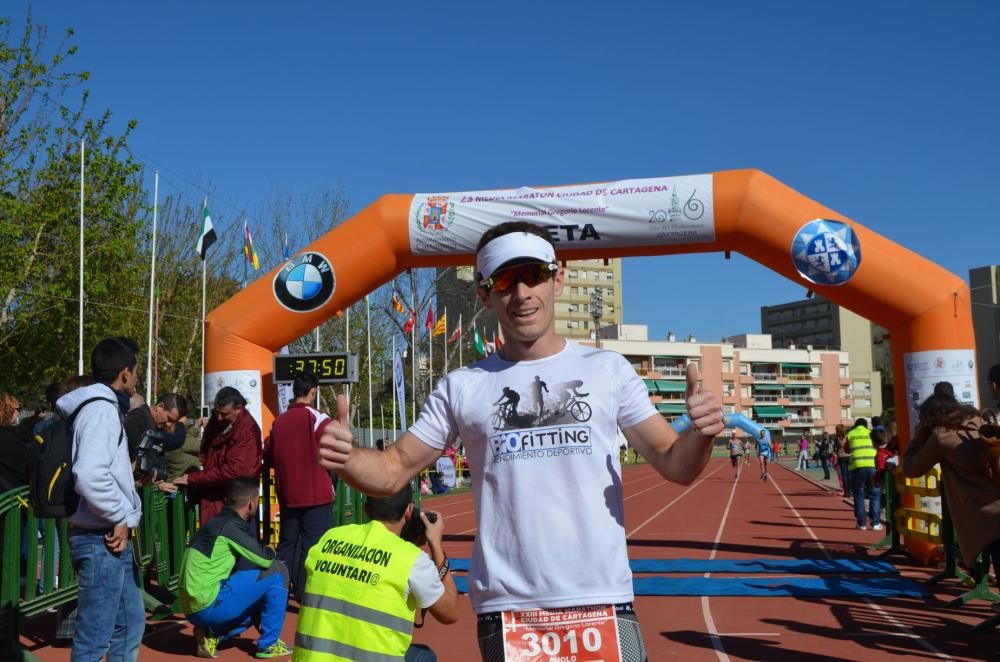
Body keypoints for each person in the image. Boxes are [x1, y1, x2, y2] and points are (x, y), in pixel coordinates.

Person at [319, 221, 723, 662]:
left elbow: (674, 462)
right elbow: (393, 468)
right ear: (485, 295)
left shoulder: (608, 369)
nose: (523, 293)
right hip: (509, 612)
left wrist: (700, 435)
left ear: (558, 278)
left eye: (534, 275)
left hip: (603, 600)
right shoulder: (463, 386)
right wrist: (347, 456)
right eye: (506, 281)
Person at [294, 484, 459, 661]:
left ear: (366, 509)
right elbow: (450, 613)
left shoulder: (329, 538)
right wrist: (436, 544)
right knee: (423, 656)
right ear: (409, 510)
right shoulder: (411, 559)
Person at [58, 337, 145, 661]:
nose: (137, 378)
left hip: (104, 537)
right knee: (95, 637)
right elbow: (90, 473)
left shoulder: (99, 408)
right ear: (125, 373)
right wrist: (118, 516)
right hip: (100, 538)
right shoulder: (100, 410)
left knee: (129, 623)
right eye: (136, 371)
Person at [180, 477, 292, 659]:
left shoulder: (218, 521)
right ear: (251, 503)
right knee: (279, 570)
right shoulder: (231, 527)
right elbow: (264, 559)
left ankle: (212, 635)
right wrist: (270, 550)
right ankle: (269, 645)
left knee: (258, 595)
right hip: (208, 602)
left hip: (192, 605)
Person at [903, 391, 1000, 587]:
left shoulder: (942, 437)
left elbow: (911, 469)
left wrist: (917, 437)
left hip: (986, 511)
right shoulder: (979, 422)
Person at [265, 371, 336, 602]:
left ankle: (279, 592)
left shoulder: (279, 422)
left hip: (288, 495)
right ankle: (306, 594)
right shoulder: (318, 419)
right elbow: (333, 449)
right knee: (313, 547)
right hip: (316, 495)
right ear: (313, 392)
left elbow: (269, 454)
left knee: (287, 544)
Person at [174, 387, 262, 525]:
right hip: (216, 495)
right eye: (216, 412)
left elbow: (234, 471)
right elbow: (207, 446)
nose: (219, 417)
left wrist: (196, 478)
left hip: (235, 500)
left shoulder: (247, 431)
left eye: (224, 414)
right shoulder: (219, 421)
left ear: (239, 408)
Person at [847, 418, 879, 530]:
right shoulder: (871, 433)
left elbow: (846, 449)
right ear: (866, 426)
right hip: (872, 465)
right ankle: (875, 523)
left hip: (858, 466)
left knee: (859, 494)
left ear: (856, 425)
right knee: (874, 494)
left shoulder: (851, 433)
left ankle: (861, 524)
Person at [0, 392, 29, 492]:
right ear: (8, 410)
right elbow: (24, 469)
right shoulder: (8, 437)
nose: (19, 413)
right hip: (9, 500)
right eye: (18, 409)